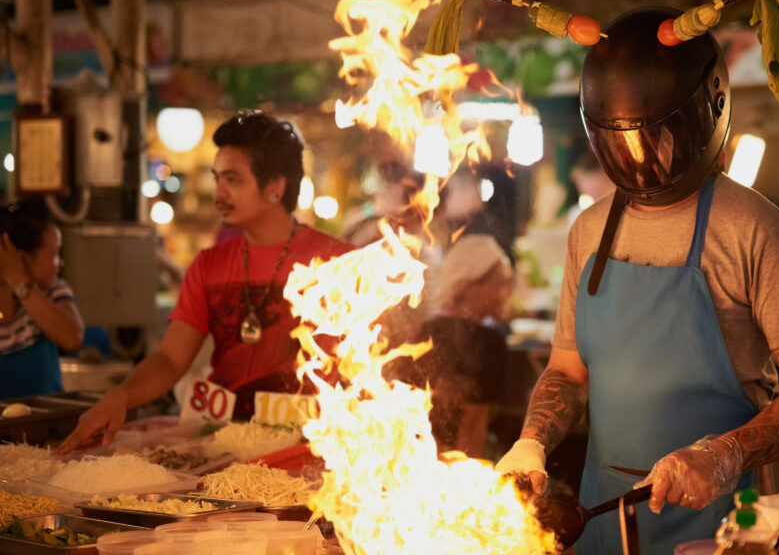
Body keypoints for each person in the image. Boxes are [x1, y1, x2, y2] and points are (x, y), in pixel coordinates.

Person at [495, 6, 779, 555]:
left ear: (704, 114)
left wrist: (723, 456)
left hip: (730, 526)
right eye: (621, 142)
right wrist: (532, 441)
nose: (641, 160)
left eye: (657, 137)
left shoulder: (755, 228)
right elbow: (566, 369)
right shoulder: (589, 230)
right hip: (607, 519)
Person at [58, 110, 353, 451]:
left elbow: (362, 365)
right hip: (224, 443)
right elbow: (170, 359)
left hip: (313, 444)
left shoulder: (338, 262)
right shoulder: (208, 266)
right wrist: (120, 396)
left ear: (275, 187)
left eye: (233, 180)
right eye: (217, 179)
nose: (219, 194)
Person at [389, 233, 513, 457]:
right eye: (501, 283)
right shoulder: (488, 343)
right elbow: (473, 426)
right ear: (469, 285)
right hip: (453, 466)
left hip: (408, 459)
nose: (507, 294)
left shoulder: (421, 332)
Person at [0, 201, 85, 398]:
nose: (60, 264)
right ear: (22, 257)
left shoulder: (53, 291)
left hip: (45, 423)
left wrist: (20, 282)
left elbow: (72, 339)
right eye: (55, 255)